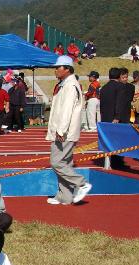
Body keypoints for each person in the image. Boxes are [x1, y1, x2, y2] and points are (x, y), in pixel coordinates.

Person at [46, 55, 90, 205]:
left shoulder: (70, 86)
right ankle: (65, 196)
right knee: (65, 163)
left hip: (64, 132)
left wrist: (61, 130)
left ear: (67, 69)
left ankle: (82, 183)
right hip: (63, 131)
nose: (55, 70)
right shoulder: (65, 84)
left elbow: (67, 110)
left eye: (58, 67)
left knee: (56, 162)